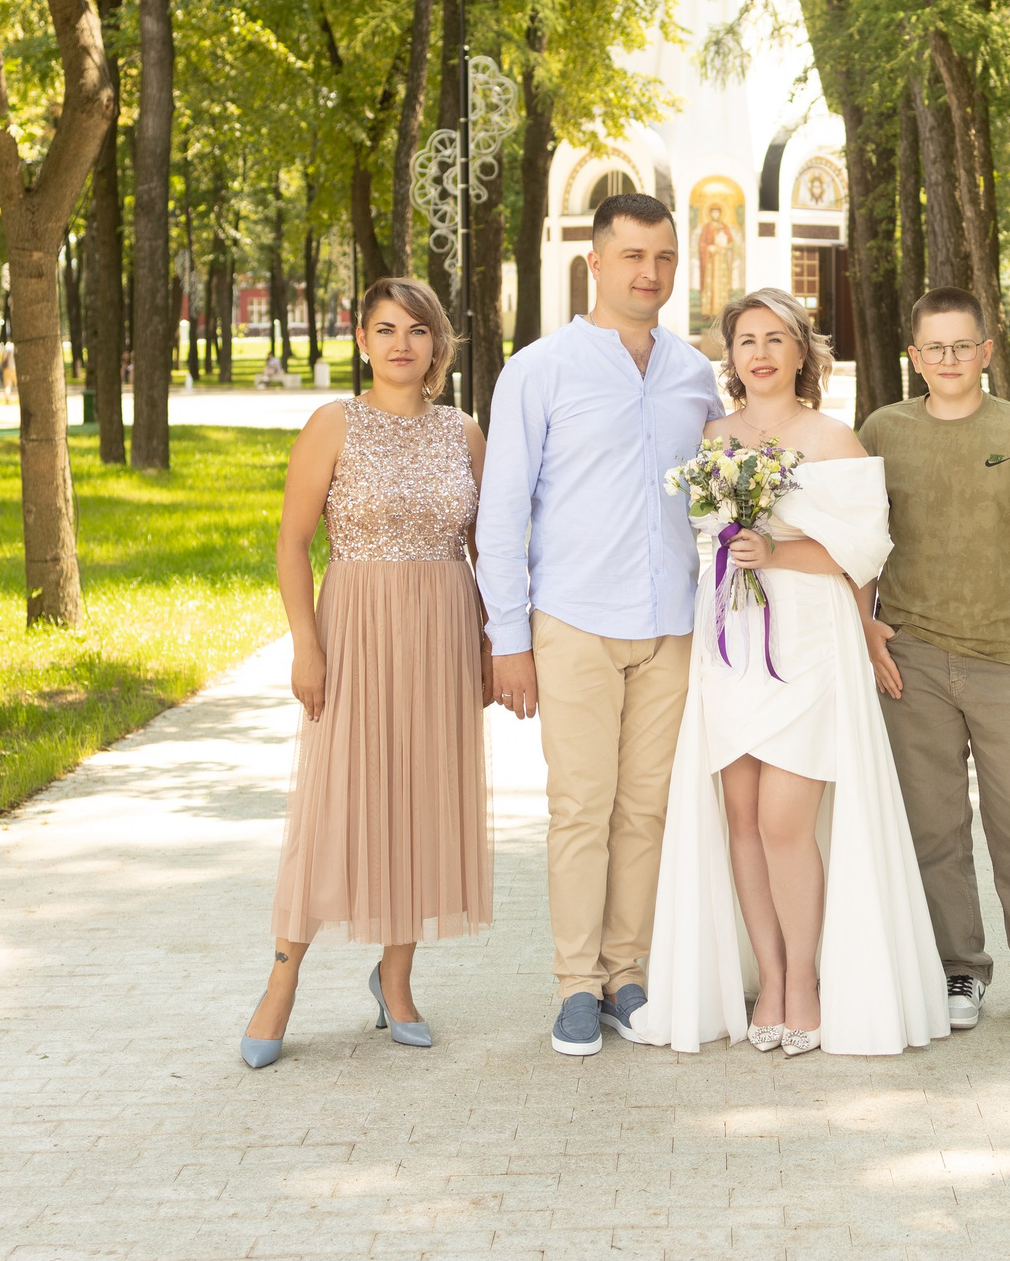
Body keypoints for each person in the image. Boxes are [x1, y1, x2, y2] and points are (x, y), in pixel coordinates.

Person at [631, 290, 947, 1058]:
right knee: (738, 815)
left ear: (804, 351)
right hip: (729, 637)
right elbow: (698, 537)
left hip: (805, 637)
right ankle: (767, 977)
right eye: (746, 340)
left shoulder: (833, 438)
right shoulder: (712, 436)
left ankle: (805, 980)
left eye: (777, 338)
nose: (761, 352)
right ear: (730, 356)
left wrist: (776, 550)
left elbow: (863, 553)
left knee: (783, 819)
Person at [478, 192, 723, 1056]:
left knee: (647, 809)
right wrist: (507, 638)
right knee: (581, 807)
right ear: (596, 263)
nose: (649, 273)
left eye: (662, 257)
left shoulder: (695, 373)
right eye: (632, 257)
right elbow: (501, 512)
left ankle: (628, 974)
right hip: (574, 620)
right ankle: (575, 983)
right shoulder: (540, 369)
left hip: (671, 623)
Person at [239, 278, 491, 1068]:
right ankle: (282, 978)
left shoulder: (465, 433)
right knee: (334, 798)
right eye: (385, 328)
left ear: (436, 344)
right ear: (362, 338)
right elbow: (291, 544)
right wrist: (304, 643)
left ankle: (397, 976)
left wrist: (491, 640)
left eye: (417, 330)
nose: (401, 344)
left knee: (420, 796)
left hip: (443, 627)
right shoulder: (332, 424)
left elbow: (489, 547)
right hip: (354, 625)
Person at [861, 286, 1010, 1030]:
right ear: (915, 358)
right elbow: (859, 538)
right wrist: (867, 629)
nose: (951, 359)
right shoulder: (883, 431)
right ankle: (957, 969)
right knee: (932, 825)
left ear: (987, 352)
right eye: (936, 347)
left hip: (1007, 658)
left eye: (964, 345)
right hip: (913, 658)